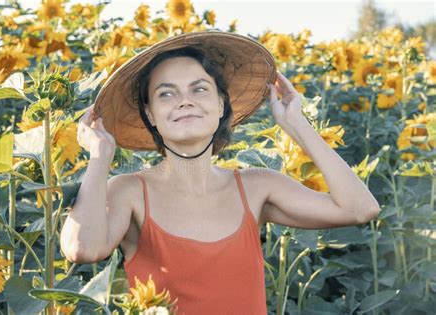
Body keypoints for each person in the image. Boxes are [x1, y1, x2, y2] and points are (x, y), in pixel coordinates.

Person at [60, 31, 380, 314]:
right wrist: (100, 157)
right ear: (150, 114)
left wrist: (298, 125)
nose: (184, 101)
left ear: (222, 105)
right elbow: (82, 249)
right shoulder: (129, 191)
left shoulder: (256, 187)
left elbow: (359, 208)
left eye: (199, 89)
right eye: (166, 94)